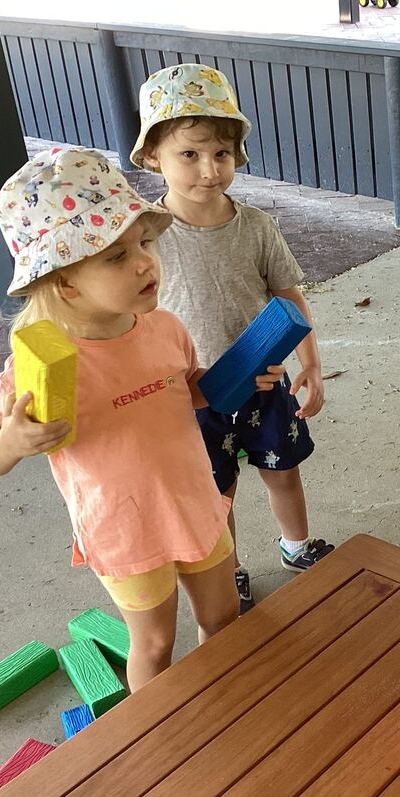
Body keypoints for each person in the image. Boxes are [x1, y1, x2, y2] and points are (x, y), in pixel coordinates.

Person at [0, 147, 281, 690]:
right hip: (123, 529)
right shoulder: (41, 364)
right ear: (64, 281)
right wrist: (13, 441)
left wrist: (233, 381)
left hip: (193, 500)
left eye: (144, 242)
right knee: (155, 644)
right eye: (115, 256)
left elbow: (188, 391)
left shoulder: (162, 327)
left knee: (222, 616)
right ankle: (151, 733)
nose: (144, 262)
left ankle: (219, 702)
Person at [132, 63, 332, 612]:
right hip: (191, 395)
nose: (208, 170)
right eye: (189, 155)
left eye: (221, 154)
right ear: (153, 156)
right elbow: (134, 317)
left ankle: (297, 546)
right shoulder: (145, 237)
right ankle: (232, 571)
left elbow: (288, 296)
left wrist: (309, 363)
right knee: (217, 493)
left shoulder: (256, 226)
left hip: (265, 380)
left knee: (283, 471)